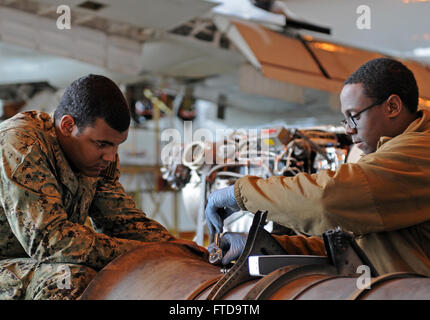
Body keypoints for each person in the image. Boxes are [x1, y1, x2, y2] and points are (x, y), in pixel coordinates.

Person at [205, 57, 430, 276]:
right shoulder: (389, 154)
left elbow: (326, 199)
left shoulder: (421, 151)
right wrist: (265, 245)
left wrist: (241, 195)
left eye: (354, 117)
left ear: (392, 106)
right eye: (345, 120)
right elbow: (354, 246)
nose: (349, 129)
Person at [0, 74, 206, 300]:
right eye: (102, 144)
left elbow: (124, 222)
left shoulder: (96, 159)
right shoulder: (22, 144)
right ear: (68, 125)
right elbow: (51, 243)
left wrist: (182, 250)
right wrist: (148, 254)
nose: (111, 156)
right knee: (69, 277)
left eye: (117, 145)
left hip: (29, 263)